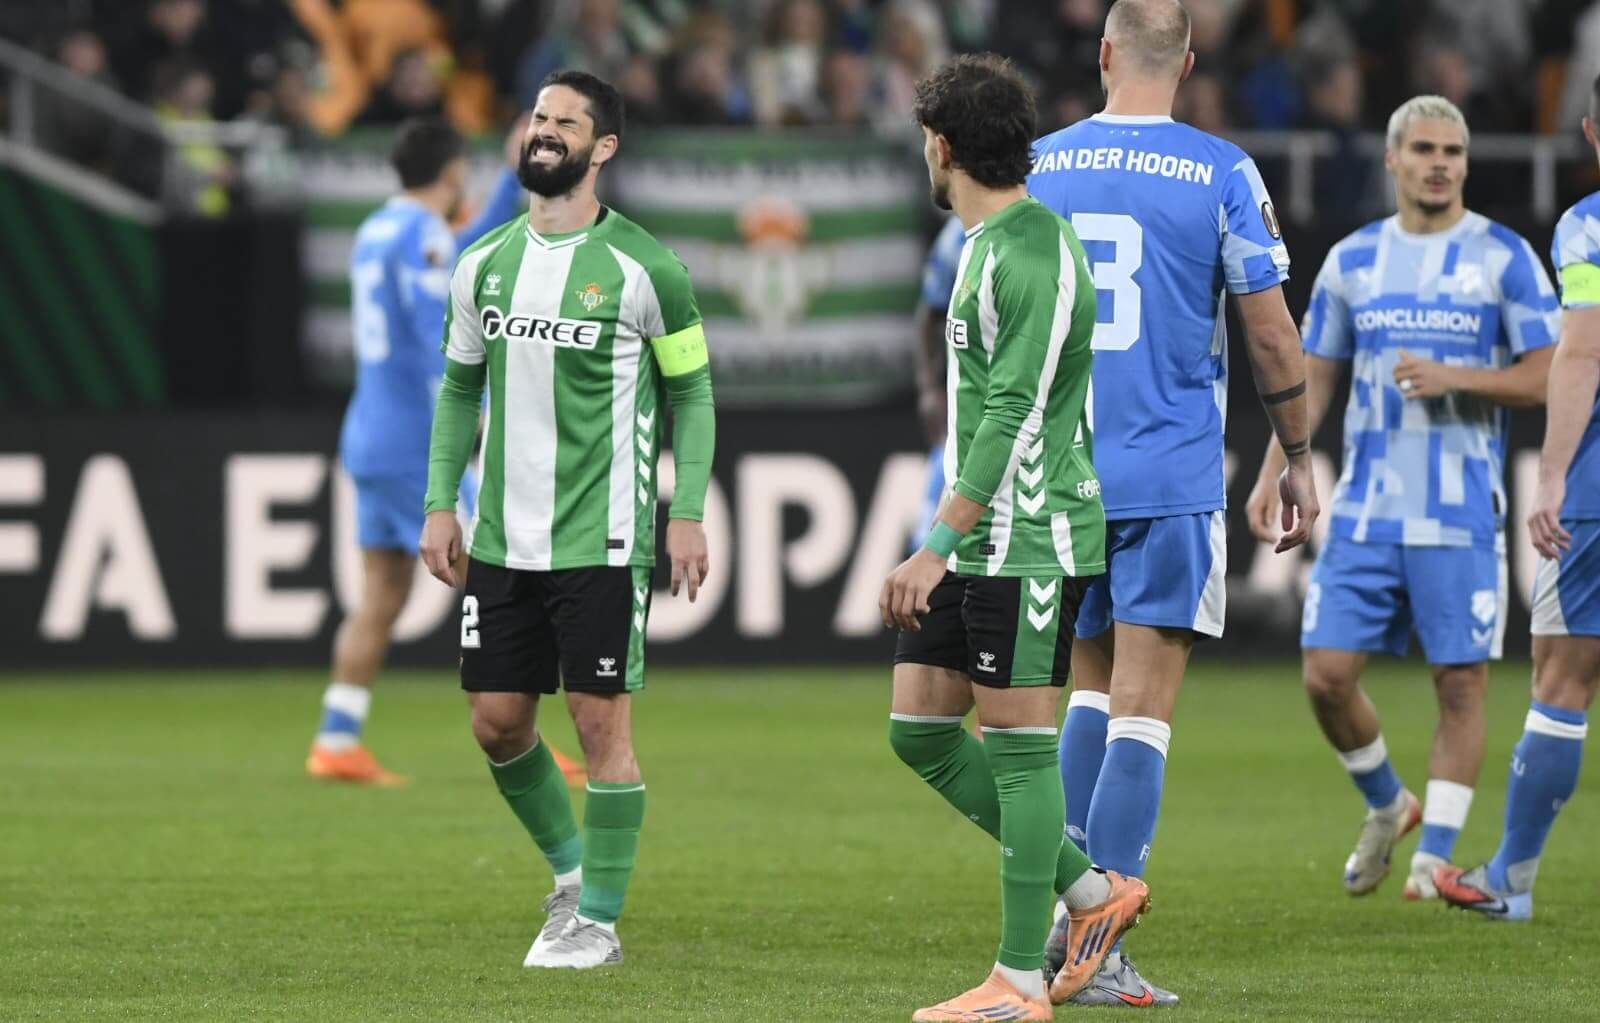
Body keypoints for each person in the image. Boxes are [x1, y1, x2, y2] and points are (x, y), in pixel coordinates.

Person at [1028, 0, 1318, 1005]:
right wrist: (1295, 453)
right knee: (1143, 714)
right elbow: (1273, 336)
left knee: (1087, 694)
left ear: (1103, 54)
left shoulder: (1039, 164)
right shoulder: (1220, 171)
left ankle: (1046, 927)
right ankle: (1096, 955)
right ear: (1188, 62)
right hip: (1168, 475)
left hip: (1061, 477)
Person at [420, 70, 716, 970]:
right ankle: (571, 870)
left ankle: (598, 922)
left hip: (604, 538)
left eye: (565, 123)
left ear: (604, 148)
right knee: (497, 721)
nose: (544, 133)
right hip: (505, 537)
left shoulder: (647, 269)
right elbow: (459, 388)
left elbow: (693, 393)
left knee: (599, 727)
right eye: (538, 118)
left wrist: (688, 510)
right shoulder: (484, 264)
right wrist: (440, 500)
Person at [880, 53, 1148, 1023]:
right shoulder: (988, 245)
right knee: (917, 727)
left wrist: (932, 544)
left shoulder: (1029, 252)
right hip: (987, 532)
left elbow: (1010, 418)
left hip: (1028, 533)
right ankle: (1090, 892)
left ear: (942, 147)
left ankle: (1018, 984)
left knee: (1019, 749)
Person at [1246, 95, 1557, 904]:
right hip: (1366, 510)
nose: (1440, 162)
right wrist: (1275, 466)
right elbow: (1314, 378)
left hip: (1460, 510)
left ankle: (1435, 859)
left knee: (1460, 687)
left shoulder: (1505, 257)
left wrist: (1461, 377)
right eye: (1423, 148)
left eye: (1452, 150)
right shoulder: (1352, 260)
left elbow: (1550, 371)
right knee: (1325, 676)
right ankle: (1389, 802)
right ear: (1393, 159)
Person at [307, 116, 534, 786]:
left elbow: (452, 252)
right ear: (452, 170)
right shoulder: (424, 235)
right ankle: (518, 735)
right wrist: (478, 404)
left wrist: (509, 183)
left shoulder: (380, 228)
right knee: (491, 578)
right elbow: (440, 322)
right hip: (411, 439)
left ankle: (336, 738)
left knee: (381, 591)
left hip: (366, 430)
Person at [1432, 73, 1600, 921]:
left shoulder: (1588, 227)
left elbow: (1581, 352)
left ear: (1589, 131)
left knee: (1563, 674)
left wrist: (1557, 470)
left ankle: (1513, 879)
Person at [911, 213, 965, 550]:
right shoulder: (961, 232)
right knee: (929, 543)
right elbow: (930, 313)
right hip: (965, 417)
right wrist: (930, 389)